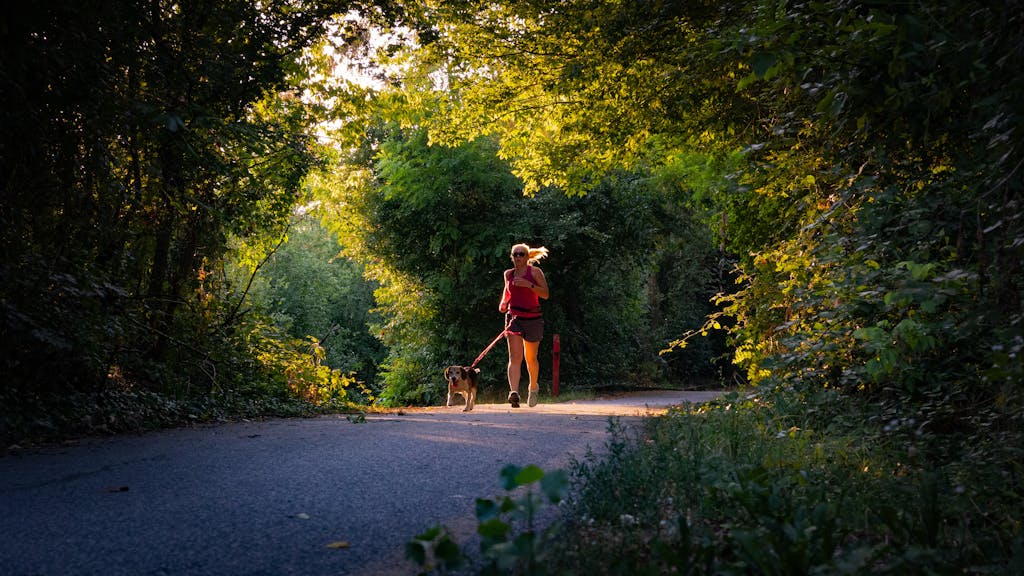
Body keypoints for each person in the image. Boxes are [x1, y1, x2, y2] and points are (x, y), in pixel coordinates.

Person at [498, 243, 550, 407]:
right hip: (514, 318)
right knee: (514, 357)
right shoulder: (508, 274)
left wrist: (529, 285)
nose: (518, 257)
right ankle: (513, 393)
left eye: (521, 254)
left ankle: (533, 388)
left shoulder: (535, 272)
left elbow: (546, 294)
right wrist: (503, 303)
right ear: (512, 257)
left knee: (531, 358)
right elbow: (508, 292)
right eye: (515, 255)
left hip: (533, 318)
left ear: (527, 257)